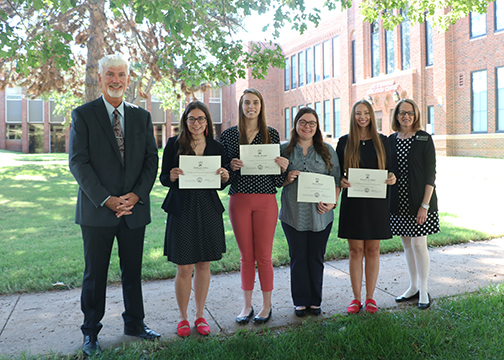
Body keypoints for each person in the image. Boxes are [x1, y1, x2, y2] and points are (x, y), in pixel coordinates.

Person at [69, 54, 160, 357]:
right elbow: (78, 163)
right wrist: (107, 199)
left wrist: (136, 195)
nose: (116, 80)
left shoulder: (141, 116)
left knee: (132, 271)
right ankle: (91, 333)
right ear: (100, 78)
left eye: (121, 74)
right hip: (97, 211)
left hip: (134, 209)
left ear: (128, 78)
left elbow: (151, 160)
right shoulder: (83, 115)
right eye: (110, 74)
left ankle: (135, 323)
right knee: (95, 274)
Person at [159, 101, 230, 337]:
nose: (196, 123)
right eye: (192, 119)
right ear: (185, 121)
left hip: (208, 208)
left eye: (201, 119)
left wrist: (225, 176)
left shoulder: (217, 147)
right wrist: (171, 175)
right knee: (184, 266)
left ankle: (200, 315)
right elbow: (163, 178)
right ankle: (183, 317)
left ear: (207, 122)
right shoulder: (173, 144)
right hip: (182, 208)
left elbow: (221, 183)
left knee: (204, 264)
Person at [220, 88, 289, 325]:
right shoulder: (229, 135)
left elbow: (278, 182)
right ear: (241, 106)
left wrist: (282, 167)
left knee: (264, 256)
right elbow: (222, 177)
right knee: (246, 256)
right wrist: (231, 167)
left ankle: (266, 305)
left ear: (261, 107)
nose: (251, 107)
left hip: (266, 200)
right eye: (247, 102)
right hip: (239, 199)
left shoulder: (271, 134)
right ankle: (246, 305)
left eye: (255, 103)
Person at [336, 99, 396, 315]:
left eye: (366, 113)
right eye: (358, 113)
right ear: (353, 116)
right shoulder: (344, 142)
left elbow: (391, 171)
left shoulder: (383, 141)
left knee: (373, 250)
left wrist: (391, 177)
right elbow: (338, 173)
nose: (362, 117)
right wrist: (341, 180)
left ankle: (370, 298)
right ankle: (356, 298)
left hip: (377, 203)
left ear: (372, 115)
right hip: (353, 203)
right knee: (355, 250)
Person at [279, 107, 341, 317]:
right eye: (303, 122)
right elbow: (274, 181)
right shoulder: (283, 150)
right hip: (292, 214)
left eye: (312, 123)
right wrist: (286, 179)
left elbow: (336, 180)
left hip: (321, 216)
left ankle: (315, 301)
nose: (307, 126)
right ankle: (300, 301)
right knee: (297, 257)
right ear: (295, 124)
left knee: (316, 257)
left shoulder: (327, 150)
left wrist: (332, 203)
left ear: (317, 126)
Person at [389, 99, 440, 310]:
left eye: (410, 113)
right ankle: (412, 287)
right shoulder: (391, 140)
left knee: (419, 244)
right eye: (402, 112)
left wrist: (425, 205)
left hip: (421, 201)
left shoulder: (424, 138)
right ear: (396, 115)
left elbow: (431, 174)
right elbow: (387, 168)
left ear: (416, 115)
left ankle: (424, 289)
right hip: (398, 201)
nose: (406, 116)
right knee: (407, 244)